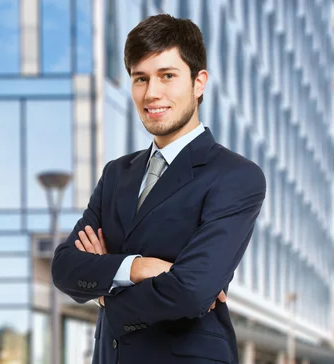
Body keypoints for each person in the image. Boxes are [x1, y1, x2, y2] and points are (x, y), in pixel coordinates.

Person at [51, 14, 266, 364]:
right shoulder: (117, 173)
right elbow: (64, 268)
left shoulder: (236, 176)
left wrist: (106, 289)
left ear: (199, 82)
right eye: (141, 78)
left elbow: (192, 291)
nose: (152, 93)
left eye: (167, 75)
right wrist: (139, 267)